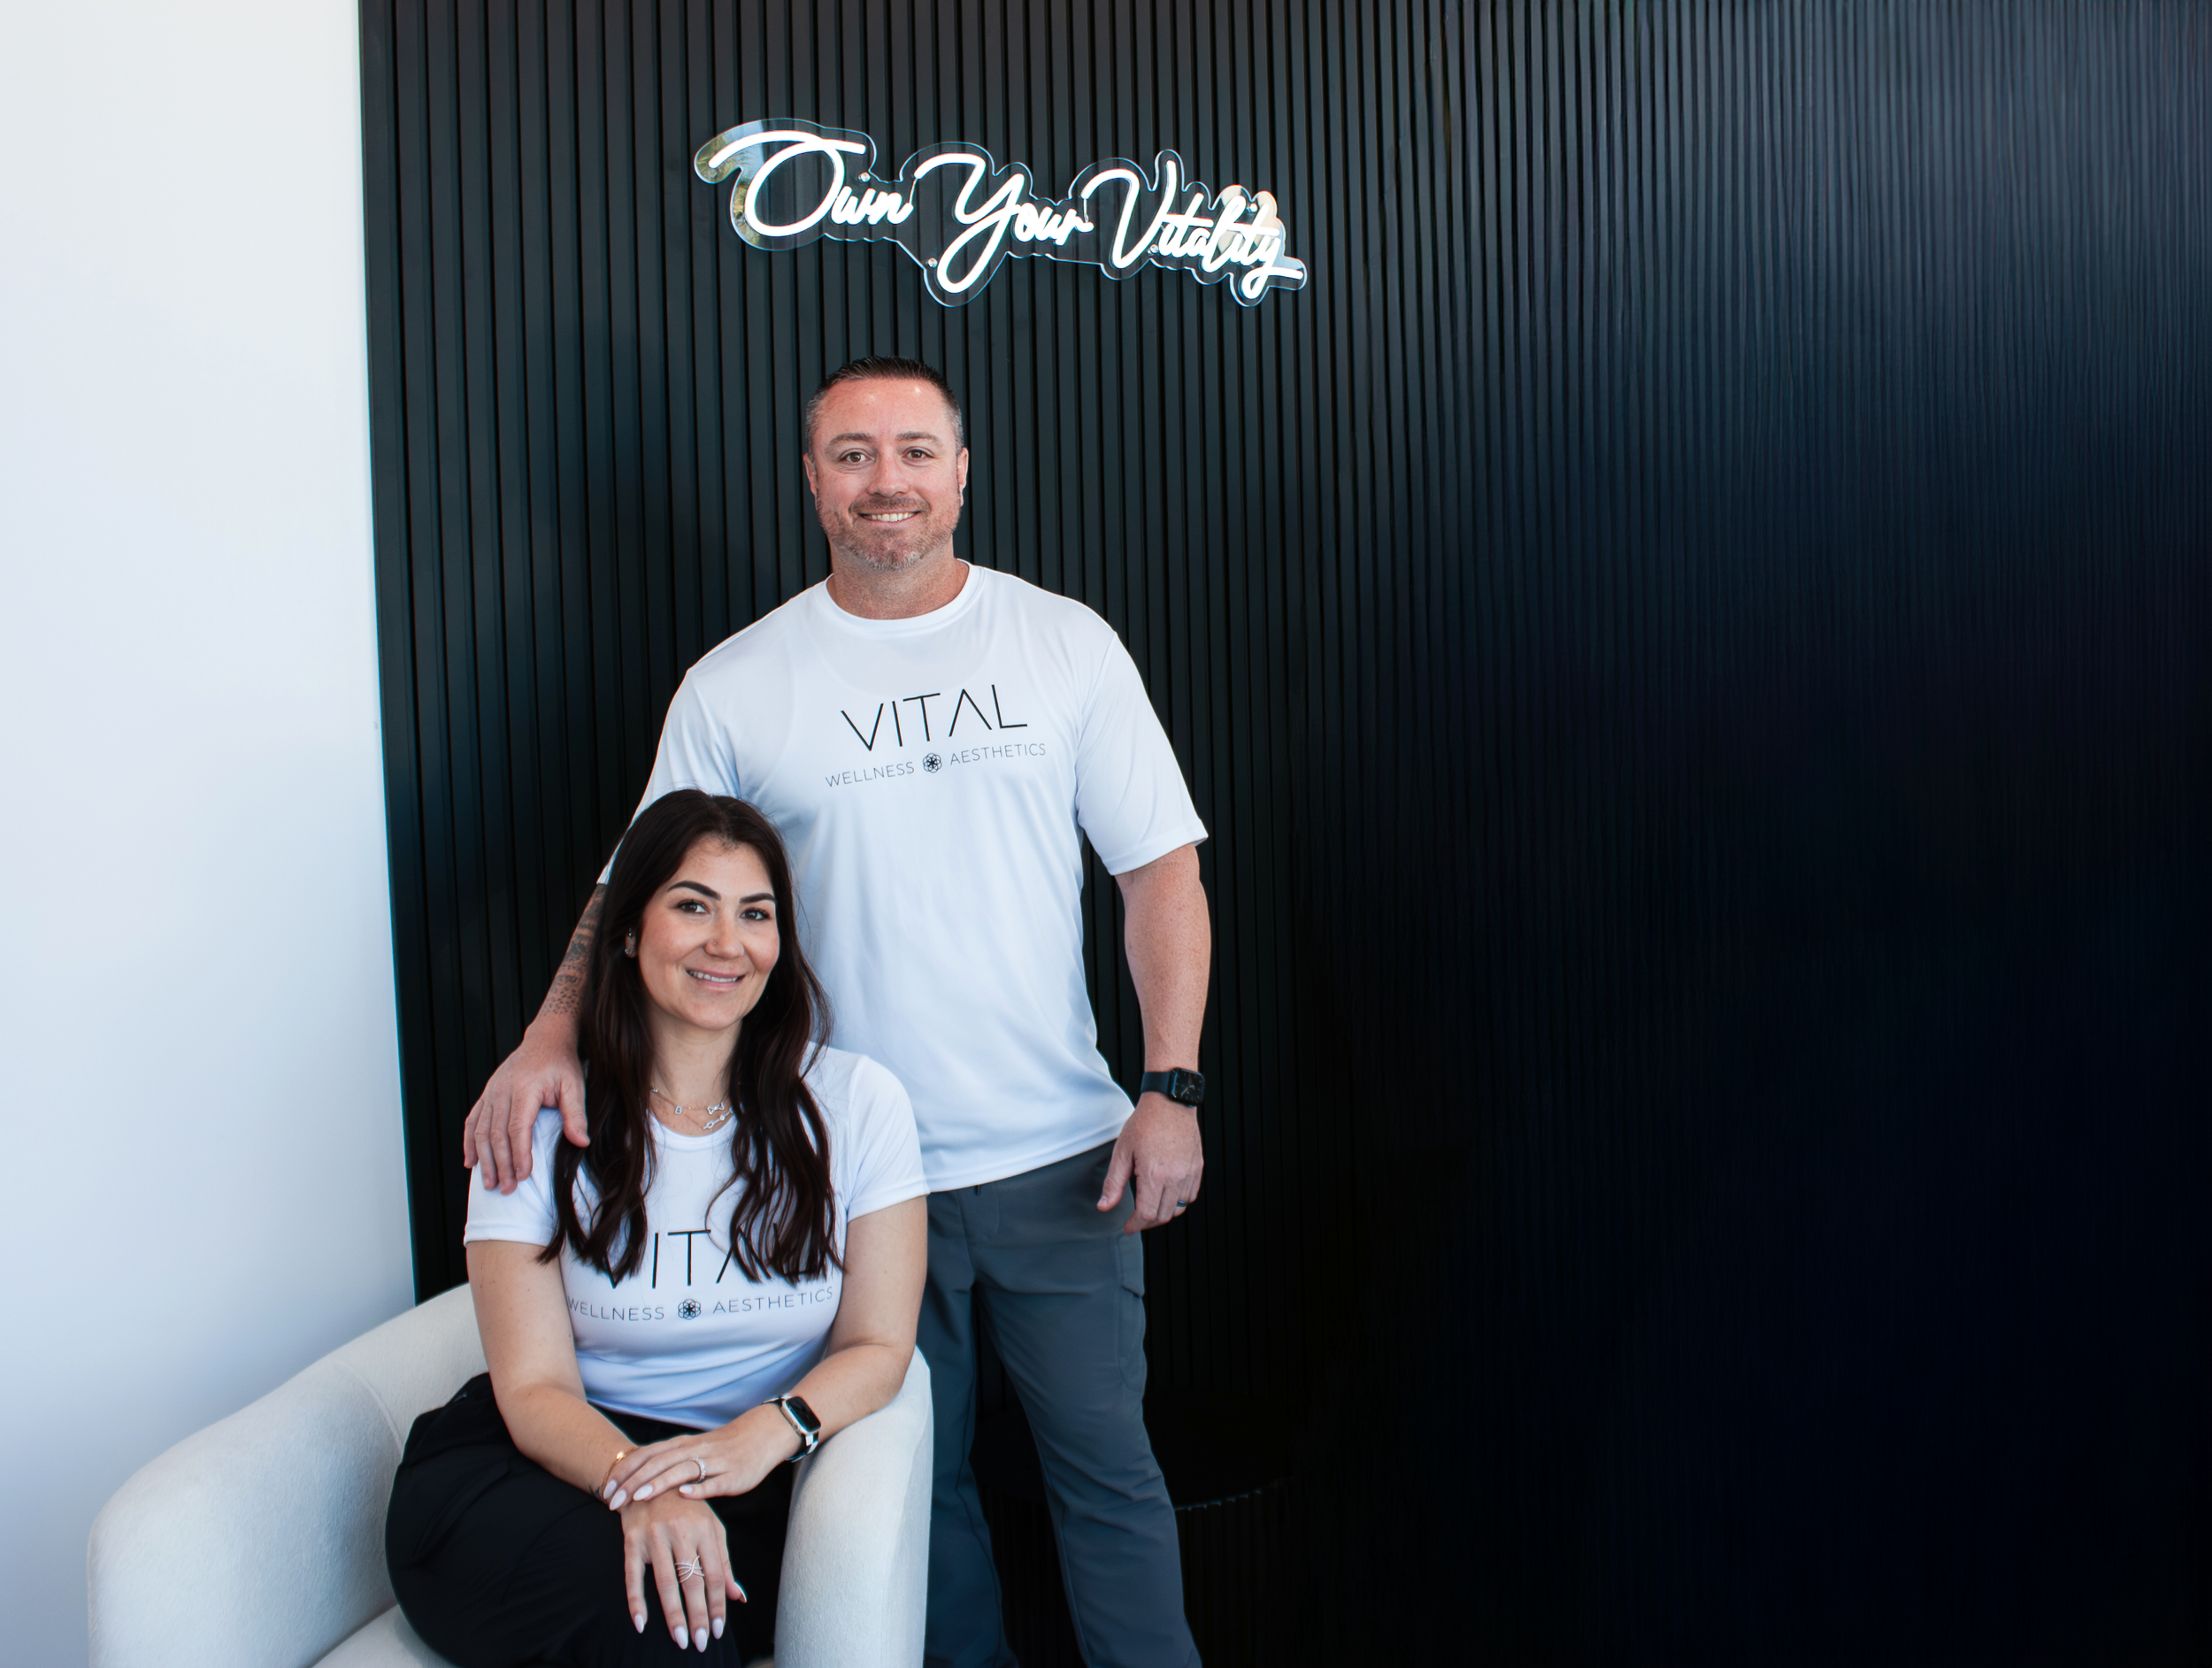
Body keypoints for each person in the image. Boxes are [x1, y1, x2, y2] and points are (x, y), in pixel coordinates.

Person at [466, 357, 1214, 1668]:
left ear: (962, 471)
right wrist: (545, 1035)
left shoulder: (1060, 641)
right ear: (812, 478)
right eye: (854, 454)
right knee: (910, 1505)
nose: (888, 481)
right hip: (848, 1173)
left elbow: (1161, 873)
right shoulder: (739, 682)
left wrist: (1173, 1083)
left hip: (1062, 1161)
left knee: (1111, 1480)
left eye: (916, 451)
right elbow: (637, 888)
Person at [390, 790, 928, 1666]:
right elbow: (530, 1388)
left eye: (755, 914)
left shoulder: (857, 1103)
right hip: (541, 1466)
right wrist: (638, 1488)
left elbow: (879, 1343)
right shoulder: (535, 1116)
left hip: (745, 1476)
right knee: (644, 1616)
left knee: (684, 1618)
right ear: (630, 932)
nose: (728, 942)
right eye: (691, 905)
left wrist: (771, 1428)